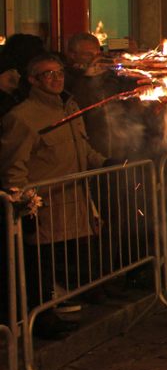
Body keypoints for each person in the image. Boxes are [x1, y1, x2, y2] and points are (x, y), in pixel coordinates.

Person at [0, 53, 107, 339]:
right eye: (48, 74)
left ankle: (57, 307)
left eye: (59, 73)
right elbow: (14, 167)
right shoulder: (22, 118)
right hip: (45, 206)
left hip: (74, 201)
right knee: (40, 265)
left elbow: (82, 149)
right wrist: (21, 204)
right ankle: (41, 318)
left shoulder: (69, 108)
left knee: (63, 261)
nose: (56, 78)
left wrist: (106, 162)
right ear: (33, 80)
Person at [63, 32, 144, 161]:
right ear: (72, 55)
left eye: (98, 54)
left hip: (119, 145)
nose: (96, 59)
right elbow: (80, 101)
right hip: (89, 152)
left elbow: (131, 93)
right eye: (89, 54)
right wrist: (88, 77)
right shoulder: (64, 78)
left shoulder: (107, 75)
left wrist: (130, 60)